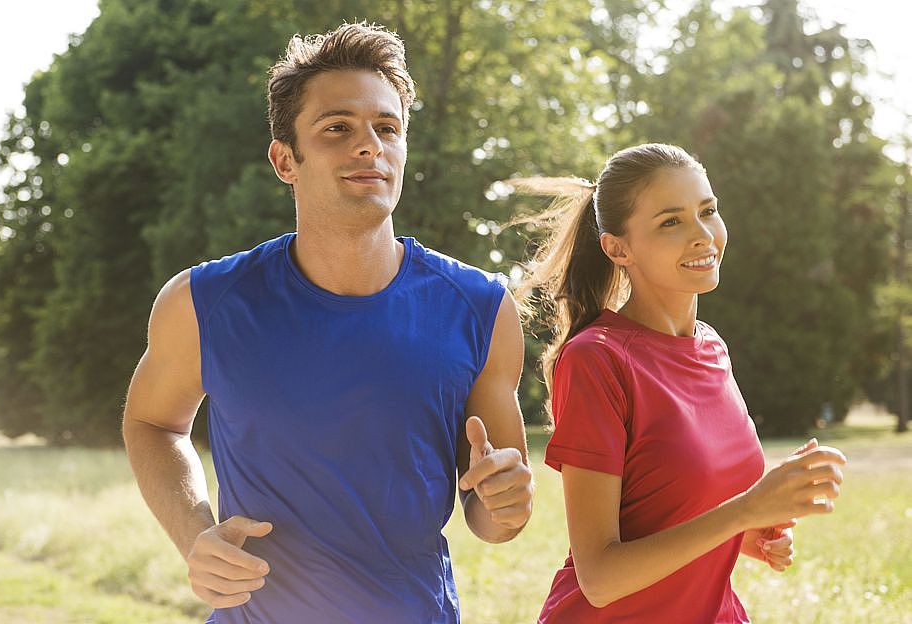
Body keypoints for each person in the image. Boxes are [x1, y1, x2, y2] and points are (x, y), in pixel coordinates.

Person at [121, 22, 533, 624]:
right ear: (286, 159)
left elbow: (493, 517)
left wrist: (506, 506)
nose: (369, 146)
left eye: (386, 129)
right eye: (337, 128)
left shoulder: (481, 308)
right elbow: (152, 422)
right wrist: (194, 534)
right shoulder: (204, 302)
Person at [512, 143, 846, 623]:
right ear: (617, 247)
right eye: (671, 221)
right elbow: (601, 579)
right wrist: (744, 512)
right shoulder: (596, 359)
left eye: (707, 211)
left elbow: (673, 507)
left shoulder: (712, 348)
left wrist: (753, 533)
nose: (702, 235)